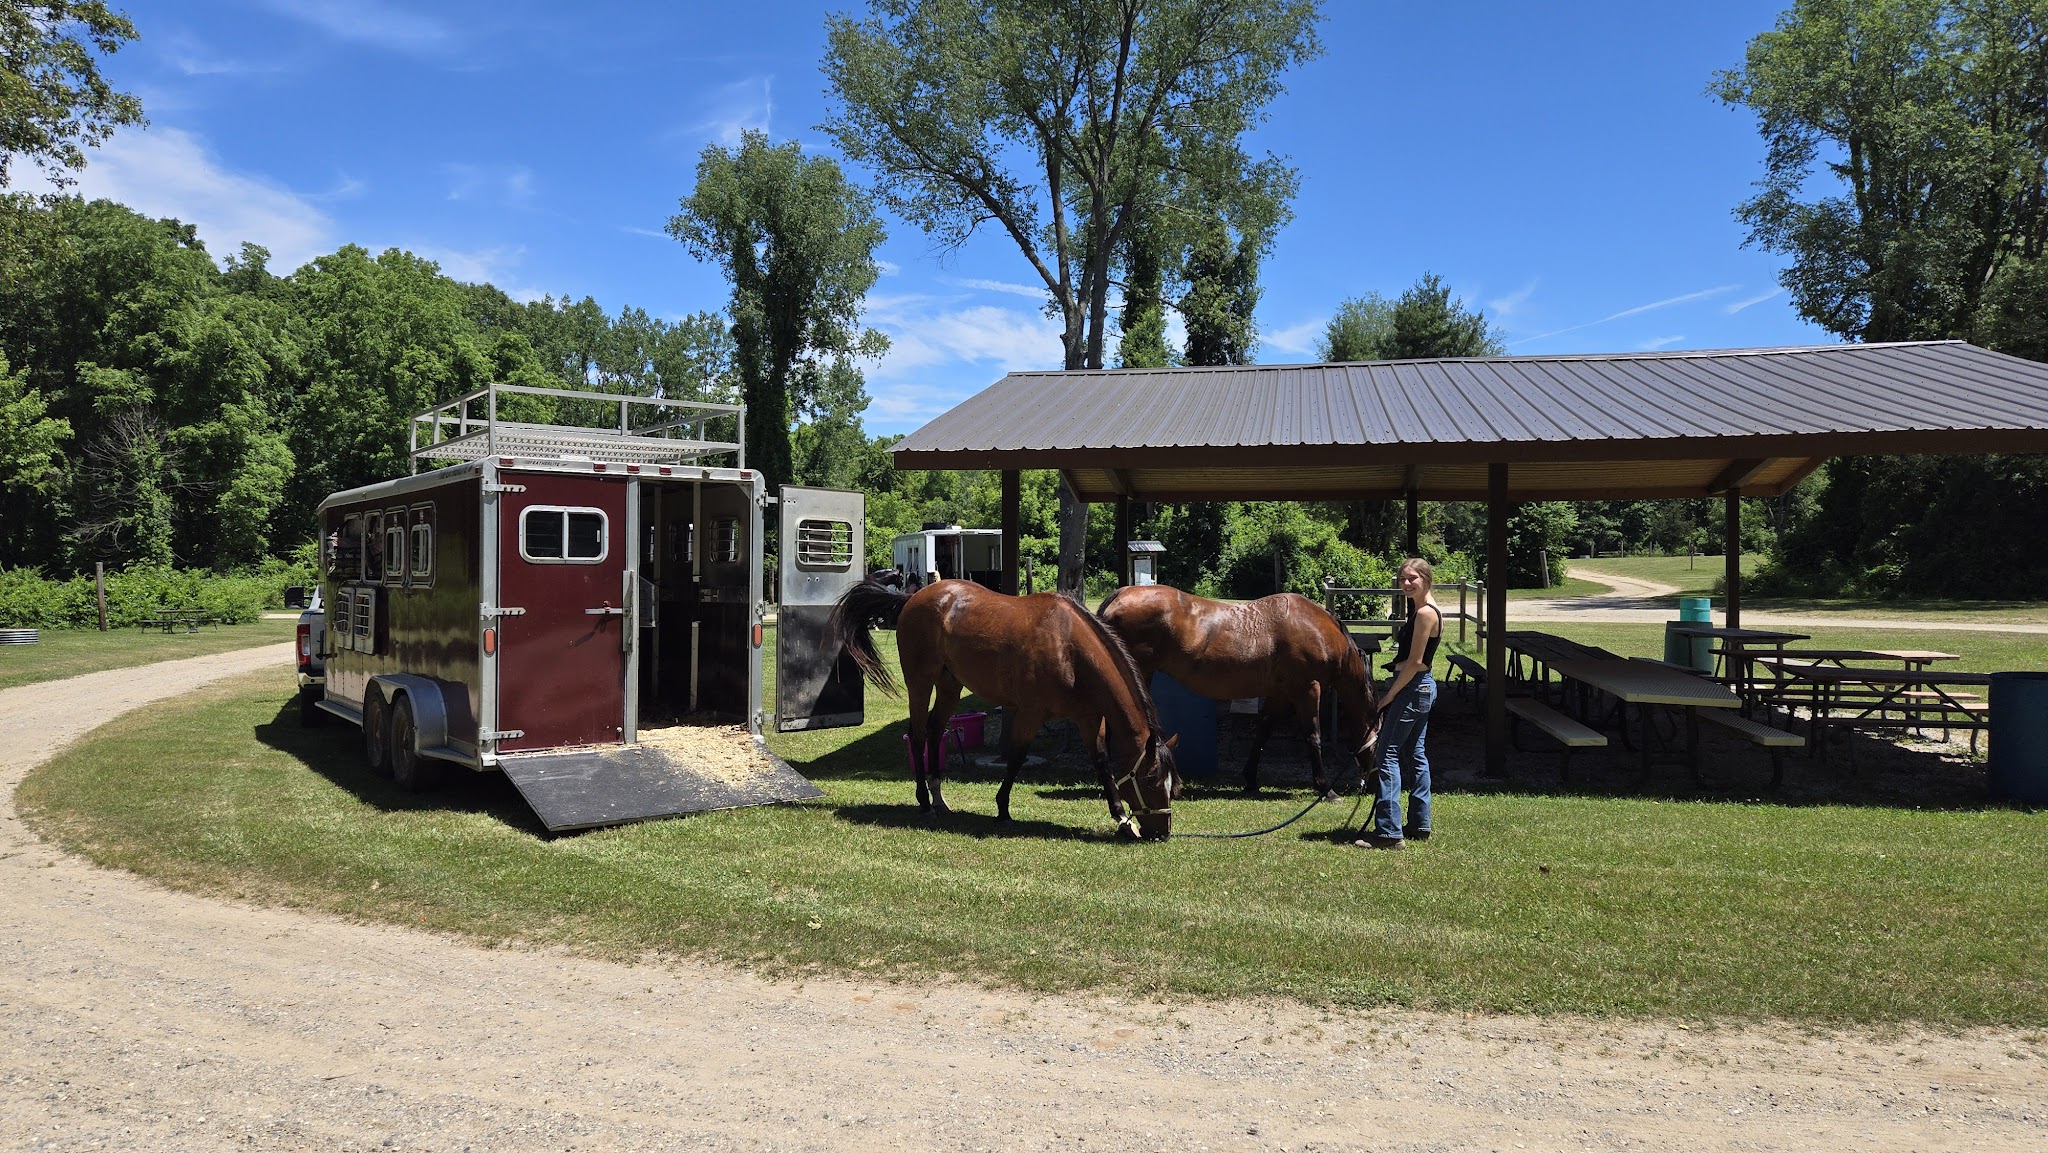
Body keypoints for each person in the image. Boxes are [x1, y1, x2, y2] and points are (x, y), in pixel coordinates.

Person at [1355, 558, 1441, 851]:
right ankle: (1419, 824)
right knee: (1416, 754)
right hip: (1422, 688)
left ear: (1426, 578)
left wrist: (1389, 696)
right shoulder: (1421, 611)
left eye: (1412, 578)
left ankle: (1389, 833)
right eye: (1402, 579)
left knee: (1386, 756)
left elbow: (1416, 663)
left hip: (1413, 689)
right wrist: (1401, 662)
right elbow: (1415, 658)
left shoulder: (1425, 614)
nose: (1406, 584)